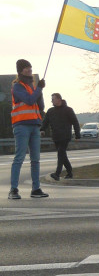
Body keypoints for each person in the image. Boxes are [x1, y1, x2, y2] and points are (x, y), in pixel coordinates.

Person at [9, 60, 49, 200]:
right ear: (20, 71)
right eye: (26, 68)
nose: (29, 70)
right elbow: (30, 100)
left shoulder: (32, 86)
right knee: (19, 158)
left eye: (30, 67)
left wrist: (40, 90)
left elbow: (41, 106)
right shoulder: (17, 86)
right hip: (21, 126)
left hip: (34, 125)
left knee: (35, 159)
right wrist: (38, 89)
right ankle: (13, 190)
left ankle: (36, 189)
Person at [41, 92, 80, 181]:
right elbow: (45, 122)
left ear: (59, 99)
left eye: (53, 99)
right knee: (63, 155)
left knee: (60, 154)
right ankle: (69, 172)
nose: (52, 101)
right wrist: (42, 129)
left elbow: (75, 122)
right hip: (56, 136)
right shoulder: (51, 111)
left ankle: (57, 174)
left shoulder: (68, 110)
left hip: (65, 136)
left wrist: (77, 135)